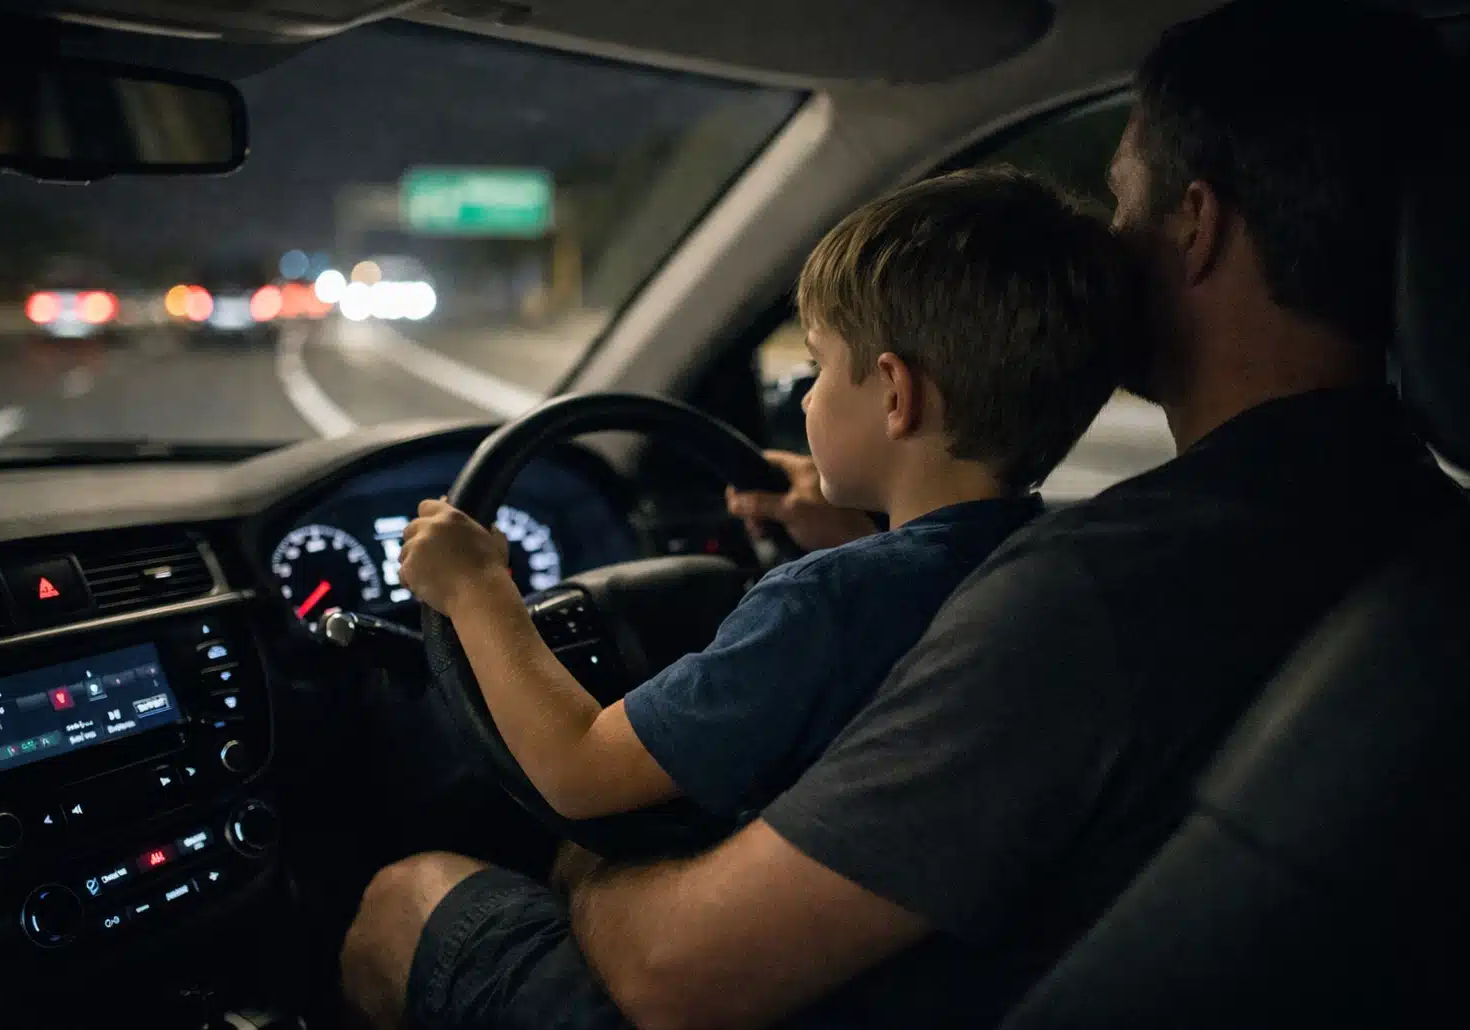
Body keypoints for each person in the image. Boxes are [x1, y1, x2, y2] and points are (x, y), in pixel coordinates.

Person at [339, 4, 1466, 1029]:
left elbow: (676, 979)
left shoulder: (1097, 594)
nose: (1106, 247)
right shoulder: (1409, 522)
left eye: (1121, 204)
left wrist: (594, 850)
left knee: (406, 900)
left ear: (1197, 228)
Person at [396, 167, 1135, 828]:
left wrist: (476, 588)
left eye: (817, 367)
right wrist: (852, 535)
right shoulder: (1038, 560)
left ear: (896, 395)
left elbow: (579, 772)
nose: (807, 398)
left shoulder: (824, 604)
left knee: (405, 890)